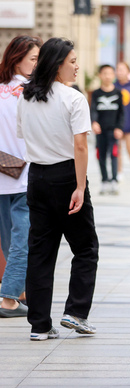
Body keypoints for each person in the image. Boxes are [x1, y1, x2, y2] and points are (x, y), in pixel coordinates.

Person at [18, 38, 99, 340]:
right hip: (66, 175)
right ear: (57, 64)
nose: (78, 66)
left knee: (40, 253)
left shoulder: (25, 97)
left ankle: (39, 326)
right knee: (86, 248)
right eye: (73, 61)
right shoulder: (73, 99)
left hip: (36, 176)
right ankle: (76, 313)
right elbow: (80, 145)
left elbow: (22, 136)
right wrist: (80, 185)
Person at [0, 35, 42, 318]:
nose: (38, 64)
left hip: (1, 174)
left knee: (8, 238)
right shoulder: (32, 91)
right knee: (24, 240)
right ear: (18, 59)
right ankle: (9, 299)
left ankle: (21, 293)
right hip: (25, 174)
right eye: (34, 59)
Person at [90, 64, 125, 194]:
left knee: (114, 155)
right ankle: (104, 180)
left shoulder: (118, 93)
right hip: (100, 131)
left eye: (110, 73)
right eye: (104, 73)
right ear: (100, 75)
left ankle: (114, 181)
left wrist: (119, 128)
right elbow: (93, 110)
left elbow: (122, 112)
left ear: (113, 75)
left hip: (114, 131)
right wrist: (94, 122)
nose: (107, 76)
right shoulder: (96, 93)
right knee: (101, 155)